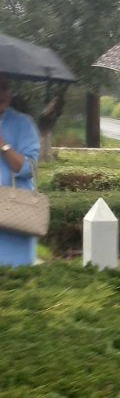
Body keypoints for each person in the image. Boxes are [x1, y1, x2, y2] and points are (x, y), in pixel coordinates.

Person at [0, 73, 42, 268]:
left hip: (14, 216)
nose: (2, 94)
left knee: (16, 276)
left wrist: (3, 145)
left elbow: (27, 169)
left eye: (5, 88)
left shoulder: (23, 124)